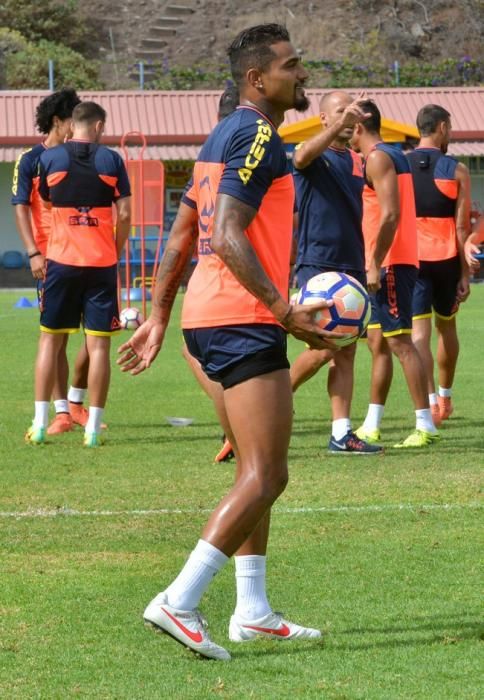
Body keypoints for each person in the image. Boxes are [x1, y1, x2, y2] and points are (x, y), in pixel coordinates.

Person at [118, 23, 342, 661]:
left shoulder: (231, 135)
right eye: (292, 66)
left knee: (256, 471)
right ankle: (179, 601)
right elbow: (225, 235)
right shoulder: (251, 131)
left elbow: (185, 225)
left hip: (211, 314)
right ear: (258, 78)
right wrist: (283, 310)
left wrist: (159, 313)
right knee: (268, 473)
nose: (302, 75)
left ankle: (253, 610)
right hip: (241, 316)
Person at [25, 101, 131, 447]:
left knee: (49, 341)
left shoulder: (50, 159)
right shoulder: (112, 160)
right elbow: (126, 213)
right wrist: (113, 249)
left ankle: (40, 424)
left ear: (74, 125)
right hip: (100, 264)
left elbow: (46, 200)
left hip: (60, 262)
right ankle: (91, 429)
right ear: (98, 126)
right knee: (97, 347)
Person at [291, 90, 382, 455]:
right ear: (324, 119)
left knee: (345, 351)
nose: (349, 117)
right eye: (340, 111)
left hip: (352, 265)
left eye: (352, 111)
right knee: (321, 349)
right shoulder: (314, 154)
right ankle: (255, 412)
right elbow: (299, 157)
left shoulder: (360, 161)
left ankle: (341, 434)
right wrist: (337, 128)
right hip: (318, 263)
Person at [352, 100, 439, 448]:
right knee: (378, 344)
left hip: (390, 263)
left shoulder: (378, 157)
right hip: (389, 261)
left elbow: (390, 216)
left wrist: (374, 261)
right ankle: (371, 424)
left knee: (401, 342)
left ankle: (425, 424)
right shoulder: (390, 154)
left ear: (359, 126)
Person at [11, 89, 97, 435]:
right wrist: (33, 251)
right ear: (58, 121)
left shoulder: (83, 157)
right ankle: (62, 411)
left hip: (90, 258)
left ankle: (75, 401)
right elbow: (20, 206)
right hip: (51, 259)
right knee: (57, 336)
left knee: (98, 337)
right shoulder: (31, 160)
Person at [180, 85, 240, 463]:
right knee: (265, 477)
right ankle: (238, 430)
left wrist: (159, 311)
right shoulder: (250, 148)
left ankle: (237, 430)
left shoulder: (205, 157)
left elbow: (180, 232)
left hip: (204, 290)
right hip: (237, 289)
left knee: (195, 352)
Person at [407, 105, 471, 424]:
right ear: (442, 127)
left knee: (419, 335)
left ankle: (430, 402)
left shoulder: (399, 166)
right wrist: (465, 272)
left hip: (412, 261)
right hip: (446, 259)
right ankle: (445, 398)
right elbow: (462, 227)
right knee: (446, 327)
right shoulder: (456, 169)